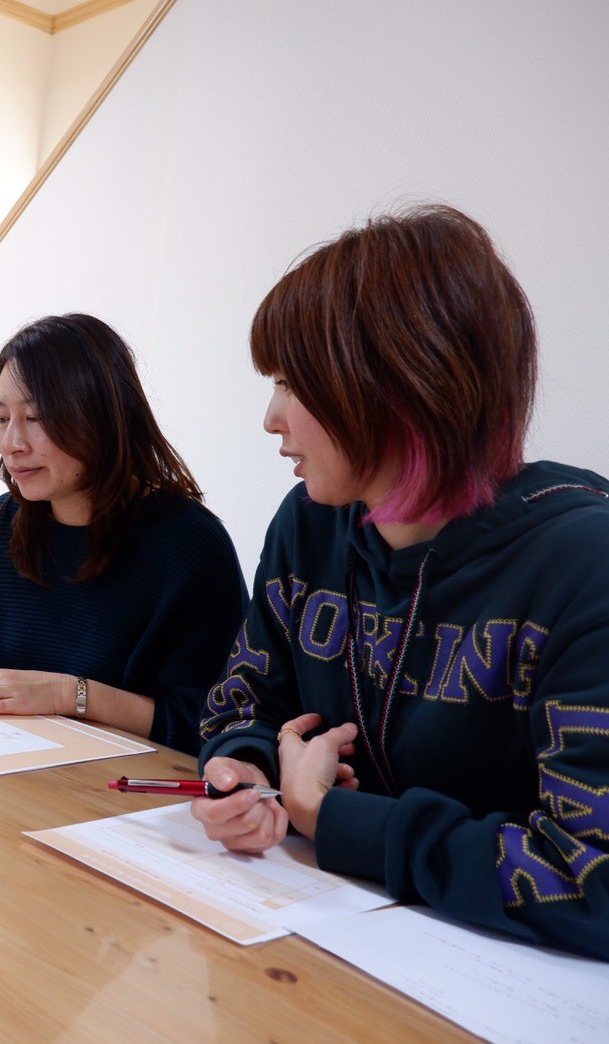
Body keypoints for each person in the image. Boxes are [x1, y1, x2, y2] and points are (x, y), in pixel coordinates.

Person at [194, 204, 609, 960]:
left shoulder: (583, 564)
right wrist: (245, 770)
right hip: (313, 941)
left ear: (396, 386)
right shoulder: (309, 524)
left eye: (292, 382)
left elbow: (592, 877)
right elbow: (243, 701)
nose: (271, 418)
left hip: (493, 981)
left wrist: (331, 817)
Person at [0, 314, 246, 755]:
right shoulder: (3, 522)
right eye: (2, 418)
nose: (12, 443)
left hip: (118, 783)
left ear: (101, 418)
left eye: (36, 417)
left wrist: (68, 694)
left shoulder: (188, 544)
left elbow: (205, 721)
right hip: (3, 762)